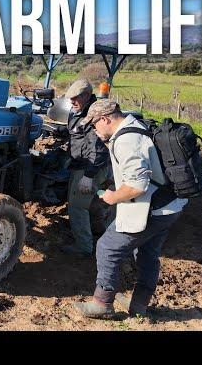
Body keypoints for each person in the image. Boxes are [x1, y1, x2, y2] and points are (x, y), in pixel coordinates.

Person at [72, 99, 187, 319]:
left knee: (107, 247)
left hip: (154, 208)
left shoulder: (127, 140)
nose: (95, 131)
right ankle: (139, 305)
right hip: (170, 204)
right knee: (147, 253)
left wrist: (113, 196)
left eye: (95, 125)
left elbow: (137, 185)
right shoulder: (134, 125)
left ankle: (102, 304)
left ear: (105, 119)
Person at [63, 79, 111, 257]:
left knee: (77, 206)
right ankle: (94, 230)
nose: (72, 102)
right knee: (88, 202)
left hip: (90, 167)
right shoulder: (76, 111)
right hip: (79, 163)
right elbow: (75, 133)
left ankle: (84, 247)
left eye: (75, 98)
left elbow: (99, 149)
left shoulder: (95, 116)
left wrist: (88, 176)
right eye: (70, 98)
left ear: (86, 96)